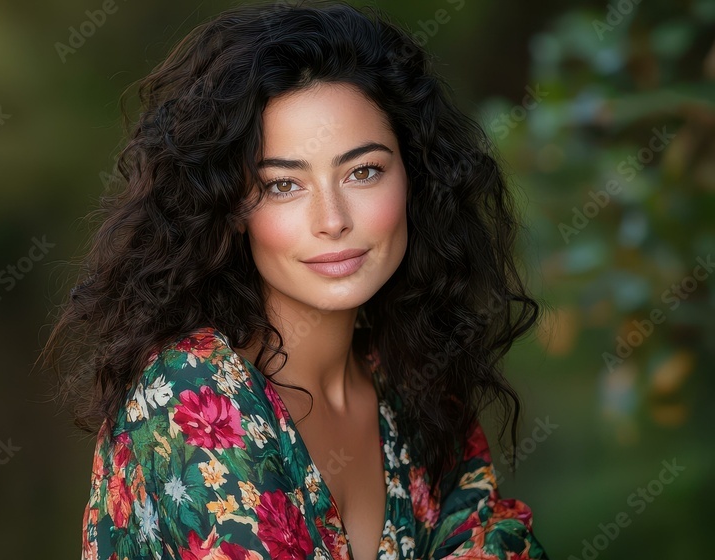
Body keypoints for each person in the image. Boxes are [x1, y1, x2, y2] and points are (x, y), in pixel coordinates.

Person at [41, 1, 549, 558]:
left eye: (363, 172)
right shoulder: (194, 398)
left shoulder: (417, 385)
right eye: (284, 185)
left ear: (416, 177)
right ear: (230, 207)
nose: (333, 219)